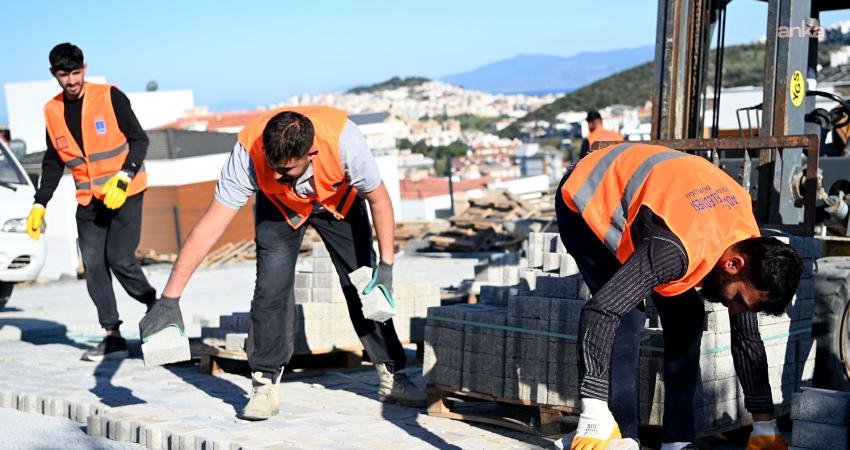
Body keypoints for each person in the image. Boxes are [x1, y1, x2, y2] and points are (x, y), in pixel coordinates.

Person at [140, 106, 426, 420]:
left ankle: (393, 375)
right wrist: (170, 298)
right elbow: (210, 227)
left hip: (337, 203)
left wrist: (386, 268)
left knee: (365, 285)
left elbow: (379, 200)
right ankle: (263, 382)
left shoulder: (345, 142)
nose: (276, 175)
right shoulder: (247, 154)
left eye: (287, 169)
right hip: (280, 207)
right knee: (270, 289)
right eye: (273, 167)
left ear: (311, 153)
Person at [556, 143, 801, 450]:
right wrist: (592, 415)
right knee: (626, 315)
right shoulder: (673, 251)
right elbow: (600, 311)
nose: (734, 309)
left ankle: (677, 440)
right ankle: (615, 433)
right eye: (738, 299)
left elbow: (747, 338)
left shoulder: (748, 246)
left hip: (666, 208)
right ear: (734, 264)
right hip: (587, 194)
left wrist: (764, 426)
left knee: (687, 317)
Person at [26, 43, 156, 361]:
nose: (71, 81)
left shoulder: (110, 96)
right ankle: (112, 335)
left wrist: (124, 176)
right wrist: (40, 202)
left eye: (75, 72)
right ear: (54, 74)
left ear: (84, 68)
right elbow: (54, 160)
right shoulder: (52, 110)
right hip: (89, 200)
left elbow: (139, 140)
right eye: (63, 74)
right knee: (94, 262)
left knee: (120, 258)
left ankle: (155, 306)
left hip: (125, 192)